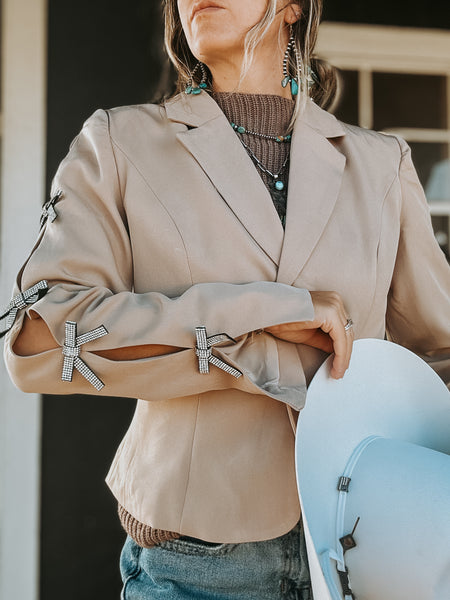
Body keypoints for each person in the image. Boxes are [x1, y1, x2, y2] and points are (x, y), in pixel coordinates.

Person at [2, 0, 449, 598]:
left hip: (369, 549)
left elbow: (438, 356)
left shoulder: (382, 164)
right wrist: (257, 318)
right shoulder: (118, 142)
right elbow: (37, 339)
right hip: (193, 562)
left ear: (292, 8)